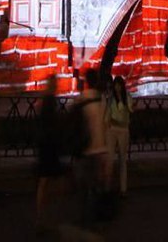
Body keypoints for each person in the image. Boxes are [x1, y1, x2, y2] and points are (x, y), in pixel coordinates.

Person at [71, 69, 108, 227]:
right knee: (96, 185)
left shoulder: (80, 100)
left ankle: (85, 217)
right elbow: (107, 124)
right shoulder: (103, 99)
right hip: (100, 149)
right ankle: (95, 217)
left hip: (84, 150)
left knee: (84, 186)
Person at [35, 74, 65, 234]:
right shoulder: (50, 100)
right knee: (50, 182)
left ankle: (44, 218)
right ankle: (47, 218)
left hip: (45, 145)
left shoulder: (45, 100)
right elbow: (53, 123)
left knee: (45, 182)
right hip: (50, 145)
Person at [104, 75, 132, 197]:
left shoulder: (127, 97)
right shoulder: (110, 98)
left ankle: (123, 188)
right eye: (116, 85)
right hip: (113, 129)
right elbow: (108, 113)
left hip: (123, 129)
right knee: (110, 159)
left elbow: (130, 109)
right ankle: (107, 187)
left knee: (122, 160)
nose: (117, 88)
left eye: (119, 85)